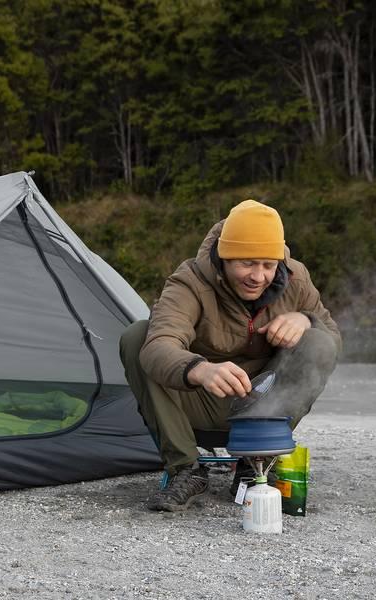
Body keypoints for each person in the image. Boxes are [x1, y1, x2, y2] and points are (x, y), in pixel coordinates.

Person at [119, 200, 341, 512]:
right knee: (137, 336)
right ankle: (186, 468)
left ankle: (257, 459)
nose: (258, 276)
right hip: (200, 402)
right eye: (246, 263)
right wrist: (200, 369)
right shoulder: (190, 282)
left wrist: (306, 320)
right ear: (224, 258)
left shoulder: (296, 278)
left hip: (264, 401)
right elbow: (159, 345)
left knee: (318, 341)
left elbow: (332, 338)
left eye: (267, 264)